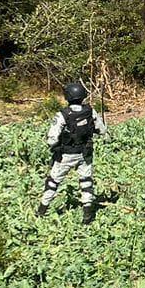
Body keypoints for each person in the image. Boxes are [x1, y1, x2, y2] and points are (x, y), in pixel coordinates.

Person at [38, 81, 105, 222]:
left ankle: (41, 211)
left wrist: (54, 145)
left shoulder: (63, 114)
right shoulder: (90, 111)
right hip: (85, 153)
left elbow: (51, 139)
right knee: (86, 182)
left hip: (65, 155)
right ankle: (88, 213)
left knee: (53, 182)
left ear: (67, 97)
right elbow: (102, 130)